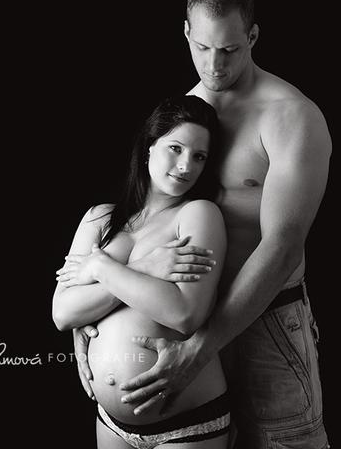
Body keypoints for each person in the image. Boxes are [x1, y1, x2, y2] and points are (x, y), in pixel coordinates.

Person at [71, 0, 331, 448]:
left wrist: (199, 348)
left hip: (263, 322)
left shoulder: (290, 116)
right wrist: (91, 317)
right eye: (203, 47)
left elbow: (283, 244)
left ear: (253, 36)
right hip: (182, 320)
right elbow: (144, 219)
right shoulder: (184, 116)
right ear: (186, 32)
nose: (214, 65)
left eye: (230, 50)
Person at [53, 94, 230, 448]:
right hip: (111, 424)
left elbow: (184, 314)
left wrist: (100, 266)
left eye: (199, 156)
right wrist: (144, 267)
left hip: (186, 424)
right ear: (149, 147)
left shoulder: (197, 215)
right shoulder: (99, 218)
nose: (186, 166)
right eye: (175, 148)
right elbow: (63, 313)